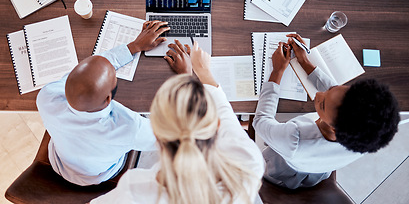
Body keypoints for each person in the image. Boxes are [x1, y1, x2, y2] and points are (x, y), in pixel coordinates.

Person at [91, 40, 265, 204]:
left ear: (156, 137)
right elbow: (225, 112)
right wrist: (201, 71)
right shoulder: (248, 163)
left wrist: (186, 76)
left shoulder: (135, 189)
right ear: (216, 125)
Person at [253, 33, 400, 189]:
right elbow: (334, 95)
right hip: (318, 168)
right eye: (336, 88)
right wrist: (304, 61)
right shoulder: (365, 138)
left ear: (333, 127)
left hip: (281, 169)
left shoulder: (295, 138)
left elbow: (261, 120)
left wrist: (277, 71)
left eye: (322, 104)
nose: (318, 94)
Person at [36, 21, 170, 186]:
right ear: (108, 98)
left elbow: (91, 72)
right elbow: (170, 136)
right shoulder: (128, 126)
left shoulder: (47, 96)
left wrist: (134, 46)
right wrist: (186, 75)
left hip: (60, 161)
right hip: (99, 174)